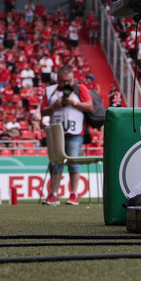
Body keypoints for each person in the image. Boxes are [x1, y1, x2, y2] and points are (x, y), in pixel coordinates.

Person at [40, 65, 93, 205]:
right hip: (56, 132)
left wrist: (73, 103)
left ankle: (74, 194)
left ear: (74, 78)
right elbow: (42, 111)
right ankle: (54, 194)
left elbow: (90, 106)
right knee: (55, 163)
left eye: (69, 80)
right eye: (64, 81)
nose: (67, 84)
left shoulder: (80, 88)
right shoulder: (50, 91)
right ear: (58, 80)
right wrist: (53, 107)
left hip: (75, 132)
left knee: (73, 163)